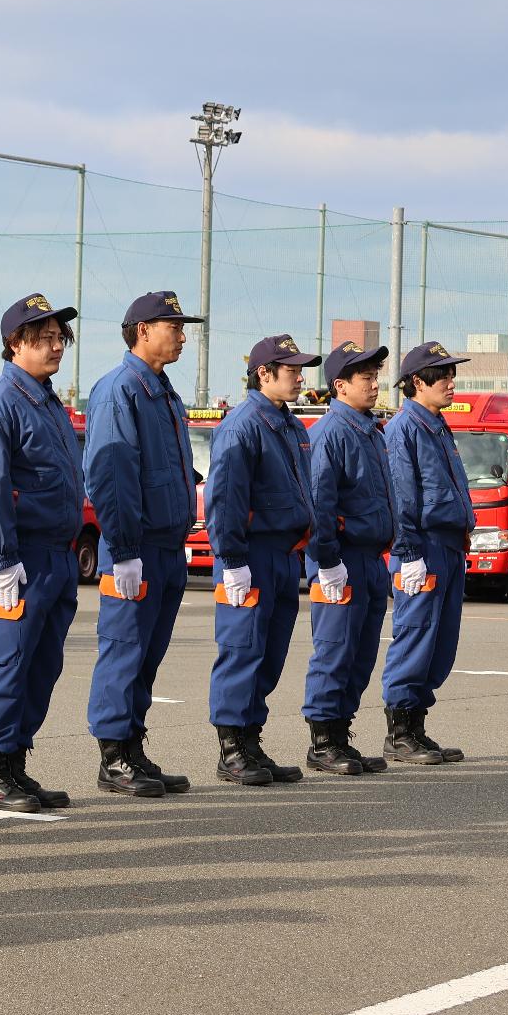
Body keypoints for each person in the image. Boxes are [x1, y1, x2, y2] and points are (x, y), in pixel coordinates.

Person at [82, 290, 202, 798]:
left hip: (166, 546)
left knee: (147, 655)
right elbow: (110, 476)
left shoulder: (162, 390)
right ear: (142, 330)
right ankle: (113, 755)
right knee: (124, 651)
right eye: (171, 325)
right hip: (135, 549)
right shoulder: (120, 390)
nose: (181, 334)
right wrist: (125, 548)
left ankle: (132, 744)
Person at [0, 292, 83, 813]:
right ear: (15, 344)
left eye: (59, 338)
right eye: (44, 338)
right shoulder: (1, 401)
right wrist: (0, 559)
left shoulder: (49, 401)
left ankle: (15, 760)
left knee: (42, 665)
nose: (56, 346)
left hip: (57, 554)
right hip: (22, 557)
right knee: (7, 661)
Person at [204, 336, 323, 786]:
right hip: (250, 555)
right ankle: (232, 749)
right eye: (290, 369)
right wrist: (231, 558)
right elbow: (225, 497)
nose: (299, 377)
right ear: (264, 374)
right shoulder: (244, 424)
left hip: (282, 555)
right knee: (242, 650)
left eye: (299, 369)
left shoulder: (288, 425)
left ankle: (251, 740)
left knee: (269, 654)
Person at [299, 341, 394, 775]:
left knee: (360, 652)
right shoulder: (331, 433)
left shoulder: (369, 430)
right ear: (340, 385)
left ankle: (341, 733)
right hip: (343, 558)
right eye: (365, 378)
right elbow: (319, 502)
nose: (375, 385)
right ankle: (322, 740)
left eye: (376, 376)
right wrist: (325, 560)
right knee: (335, 649)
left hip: (371, 557)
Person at [379, 342, 473, 765]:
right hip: (423, 547)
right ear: (418, 382)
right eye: (443, 375)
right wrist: (409, 550)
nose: (451, 382)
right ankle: (399, 732)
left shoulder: (436, 424)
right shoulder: (405, 428)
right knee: (416, 633)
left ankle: (416, 725)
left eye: (452, 374)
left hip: (448, 545)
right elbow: (402, 496)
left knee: (441, 640)